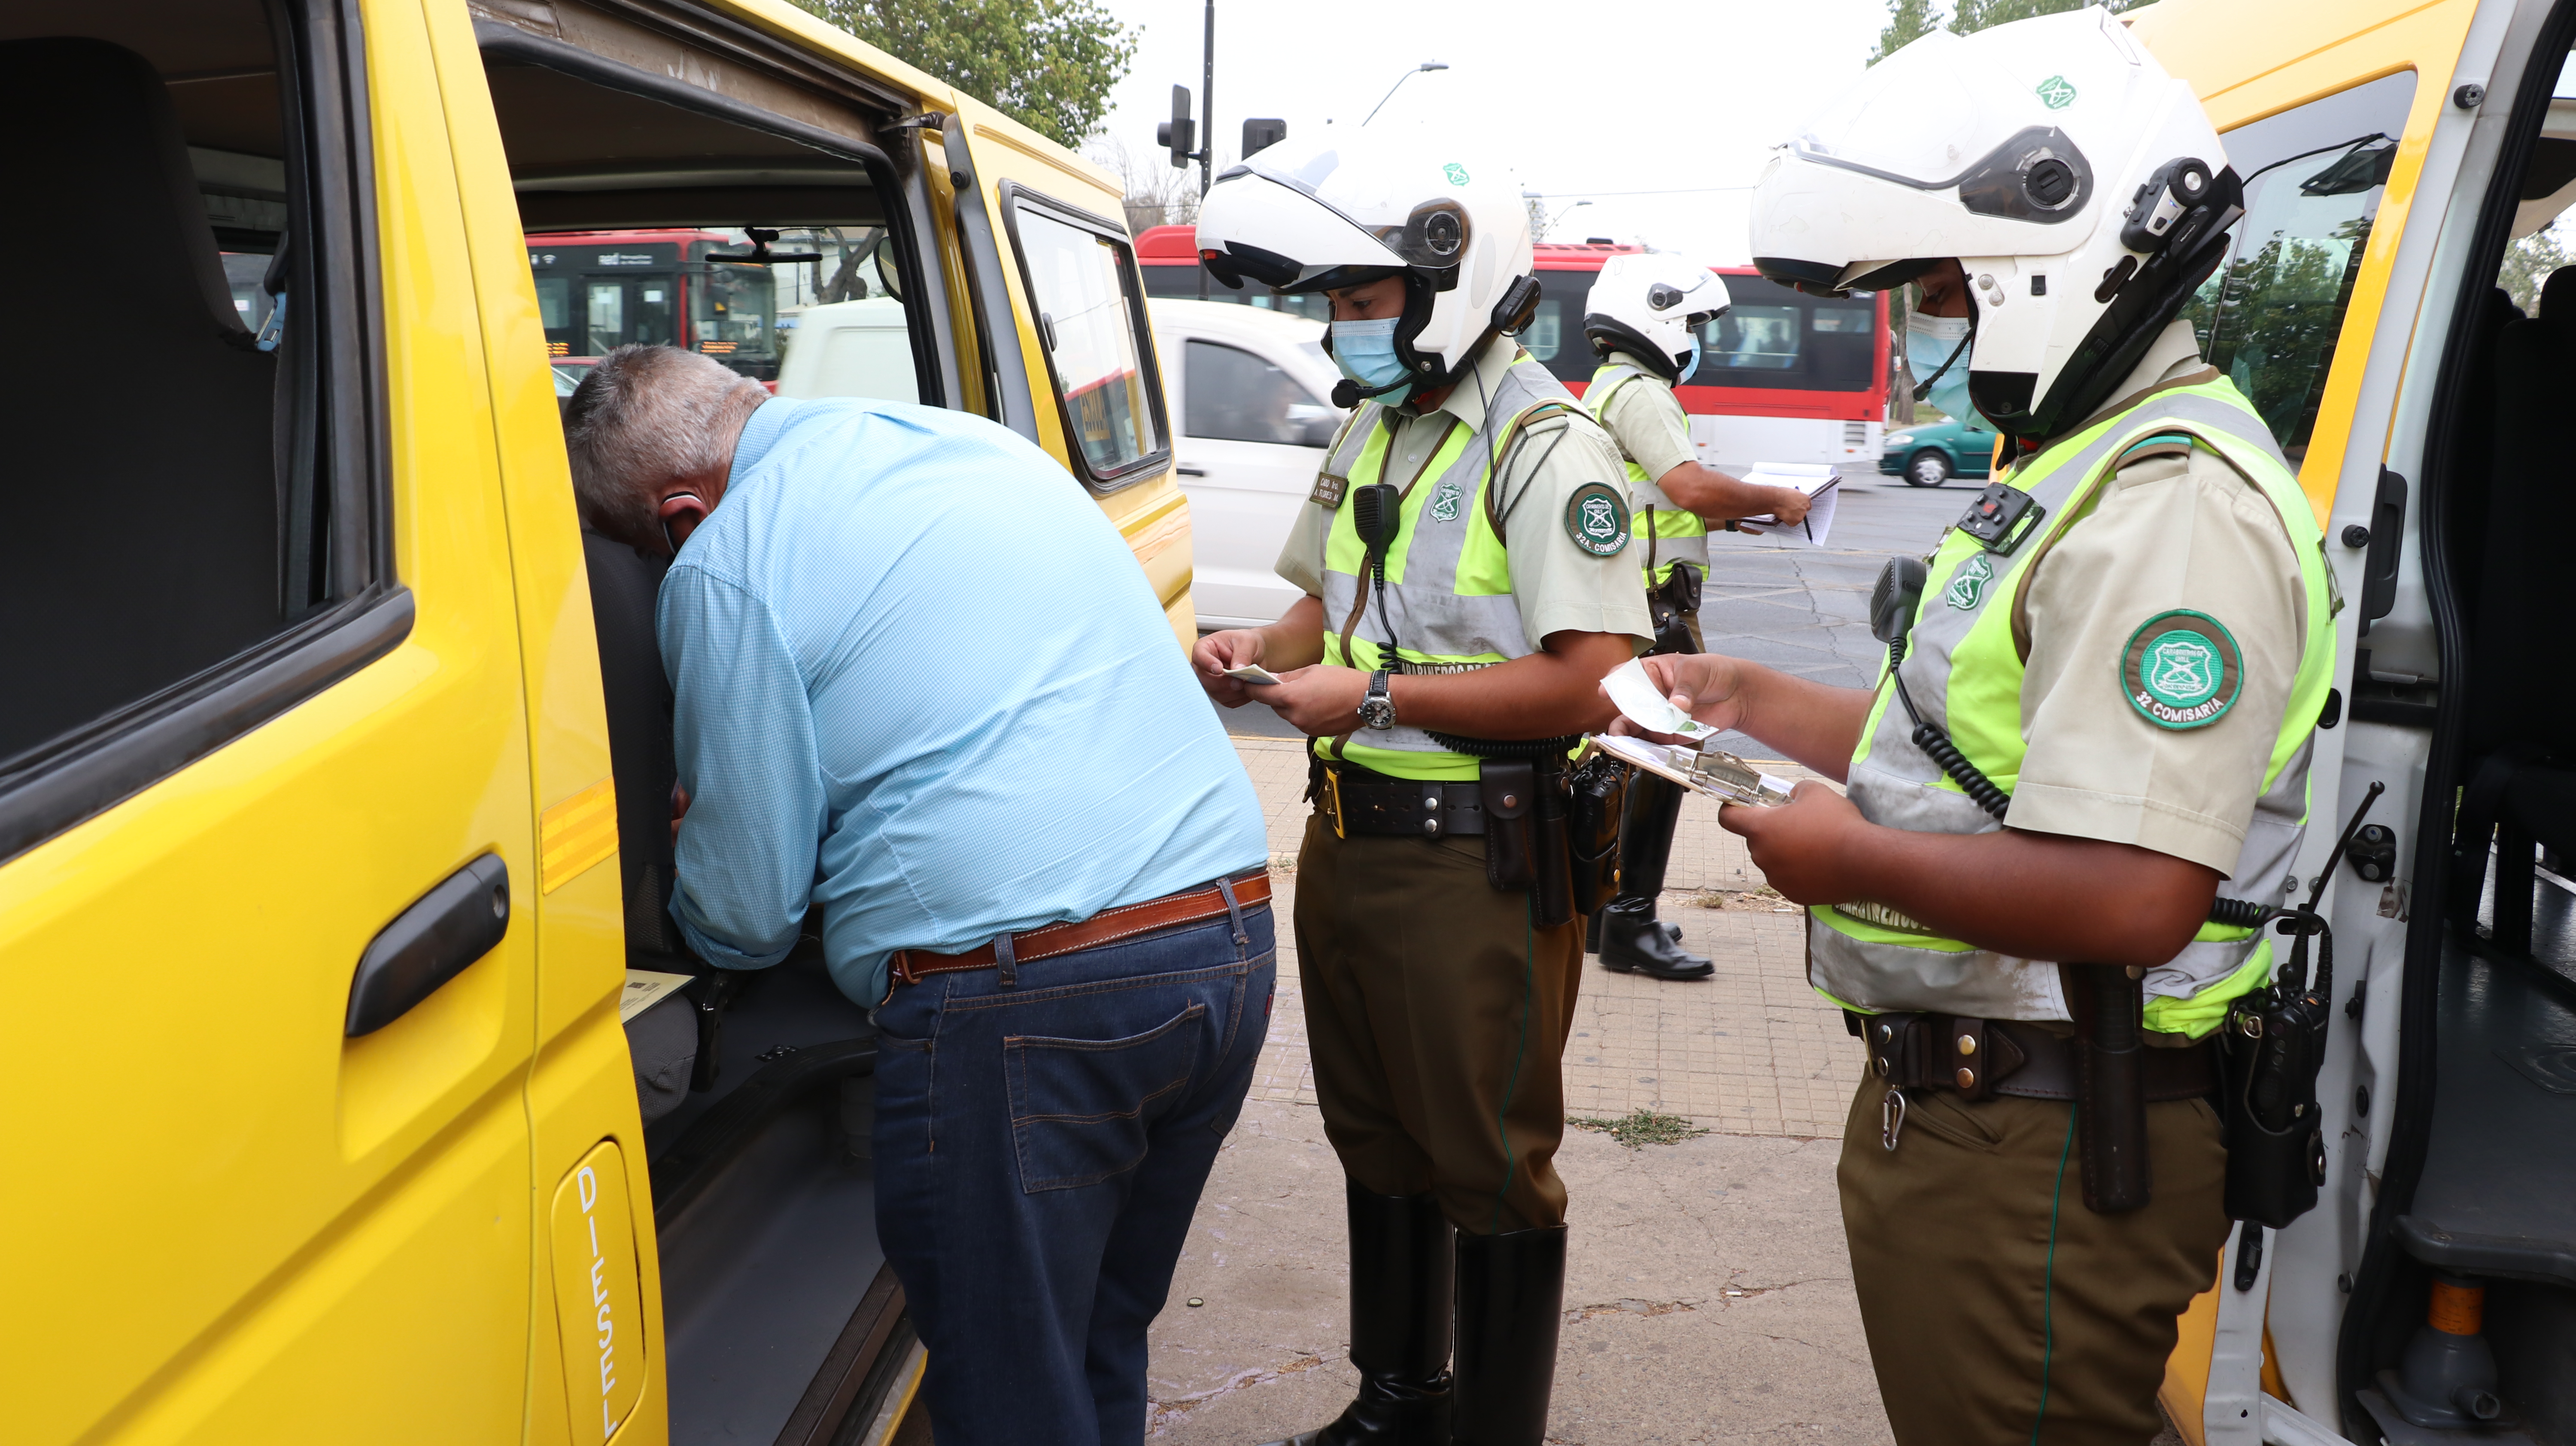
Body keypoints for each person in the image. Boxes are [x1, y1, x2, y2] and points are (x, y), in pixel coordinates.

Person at [1627, 12, 2337, 1443]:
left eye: (1948, 289)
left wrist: (1843, 858)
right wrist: (1751, 697)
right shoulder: (2083, 466)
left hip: (2056, 1129)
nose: (1934, 326)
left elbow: (2136, 895)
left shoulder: (2174, 505)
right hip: (1984, 1106)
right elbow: (1972, 759)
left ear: (2053, 263)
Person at [561, 344, 1272, 1446]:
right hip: (1225, 938)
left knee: (1006, 1391)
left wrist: (689, 875)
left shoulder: (726, 560)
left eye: (645, 552)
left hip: (1029, 1006)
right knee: (1095, 1338)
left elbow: (746, 915)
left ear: (680, 514)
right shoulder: (970, 444)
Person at [1188, 128, 1652, 1446]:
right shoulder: (1378, 426)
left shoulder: (1544, 447)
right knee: (1376, 1138)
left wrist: (1378, 698)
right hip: (1349, 841)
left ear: (1454, 281)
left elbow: (1594, 684)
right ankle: (1400, 1402)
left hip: (1475, 866)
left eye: (1362, 295)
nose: (1342, 323)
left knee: (1488, 1163)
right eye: (1334, 299)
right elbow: (1319, 608)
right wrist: (1257, 646)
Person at [1579, 252, 1813, 981]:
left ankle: (1602, 912)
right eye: (1693, 325)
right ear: (1661, 322)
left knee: (1622, 758)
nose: (1695, 340)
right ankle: (1630, 921)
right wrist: (1775, 499)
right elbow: (1688, 488)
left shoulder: (1609, 388)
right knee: (1663, 760)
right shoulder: (1643, 393)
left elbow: (1653, 502)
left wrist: (1732, 516)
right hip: (1655, 611)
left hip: (1631, 599)